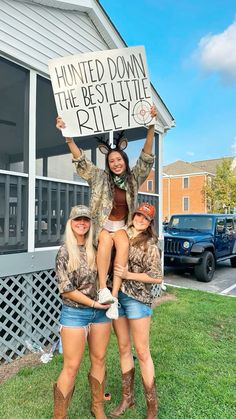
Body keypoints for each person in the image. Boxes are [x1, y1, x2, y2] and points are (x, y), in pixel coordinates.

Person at [56, 105, 157, 320]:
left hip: (122, 226)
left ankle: (114, 297)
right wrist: (68, 138)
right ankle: (103, 289)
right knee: (106, 241)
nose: (116, 163)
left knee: (121, 243)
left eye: (119, 159)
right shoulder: (100, 177)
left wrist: (150, 127)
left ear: (124, 160)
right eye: (111, 161)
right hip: (103, 225)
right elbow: (81, 162)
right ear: (108, 164)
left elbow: (146, 157)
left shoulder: (133, 178)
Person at [54, 205, 111, 419]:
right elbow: (67, 290)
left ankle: (97, 406)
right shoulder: (64, 252)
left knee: (99, 359)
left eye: (86, 220)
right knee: (71, 365)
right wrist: (94, 304)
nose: (82, 223)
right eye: (78, 219)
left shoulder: (96, 248)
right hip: (74, 313)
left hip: (101, 314)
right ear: (70, 223)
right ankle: (59, 415)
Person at [109, 202, 163, 419]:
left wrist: (128, 275)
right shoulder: (122, 235)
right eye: (139, 215)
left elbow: (157, 277)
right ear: (134, 215)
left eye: (146, 218)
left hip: (138, 299)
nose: (141, 219)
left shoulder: (149, 244)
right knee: (123, 347)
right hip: (117, 298)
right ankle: (127, 399)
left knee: (142, 351)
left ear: (150, 223)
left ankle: (152, 408)